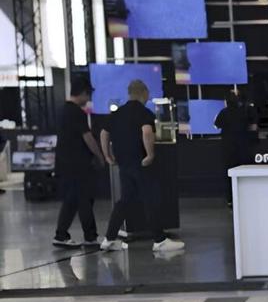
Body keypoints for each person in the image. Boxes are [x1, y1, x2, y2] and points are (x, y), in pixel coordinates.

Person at [99, 80, 184, 253]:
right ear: (144, 93)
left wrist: (107, 155)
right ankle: (159, 240)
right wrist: (150, 154)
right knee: (151, 198)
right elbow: (146, 132)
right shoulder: (144, 113)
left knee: (125, 200)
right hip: (140, 163)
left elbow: (103, 133)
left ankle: (109, 239)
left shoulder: (117, 113)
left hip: (124, 163)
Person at [52, 81, 105, 248]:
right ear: (82, 93)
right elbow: (87, 137)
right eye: (88, 95)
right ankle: (90, 237)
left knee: (72, 199)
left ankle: (61, 235)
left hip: (65, 162)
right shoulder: (77, 113)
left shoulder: (63, 110)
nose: (88, 99)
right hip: (79, 164)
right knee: (84, 199)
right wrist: (99, 156)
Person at [213, 90, 257, 206]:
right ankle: (247, 197)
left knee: (229, 174)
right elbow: (253, 127)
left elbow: (216, 124)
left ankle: (230, 199)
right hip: (244, 147)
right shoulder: (245, 111)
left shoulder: (224, 112)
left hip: (228, 148)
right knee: (244, 173)